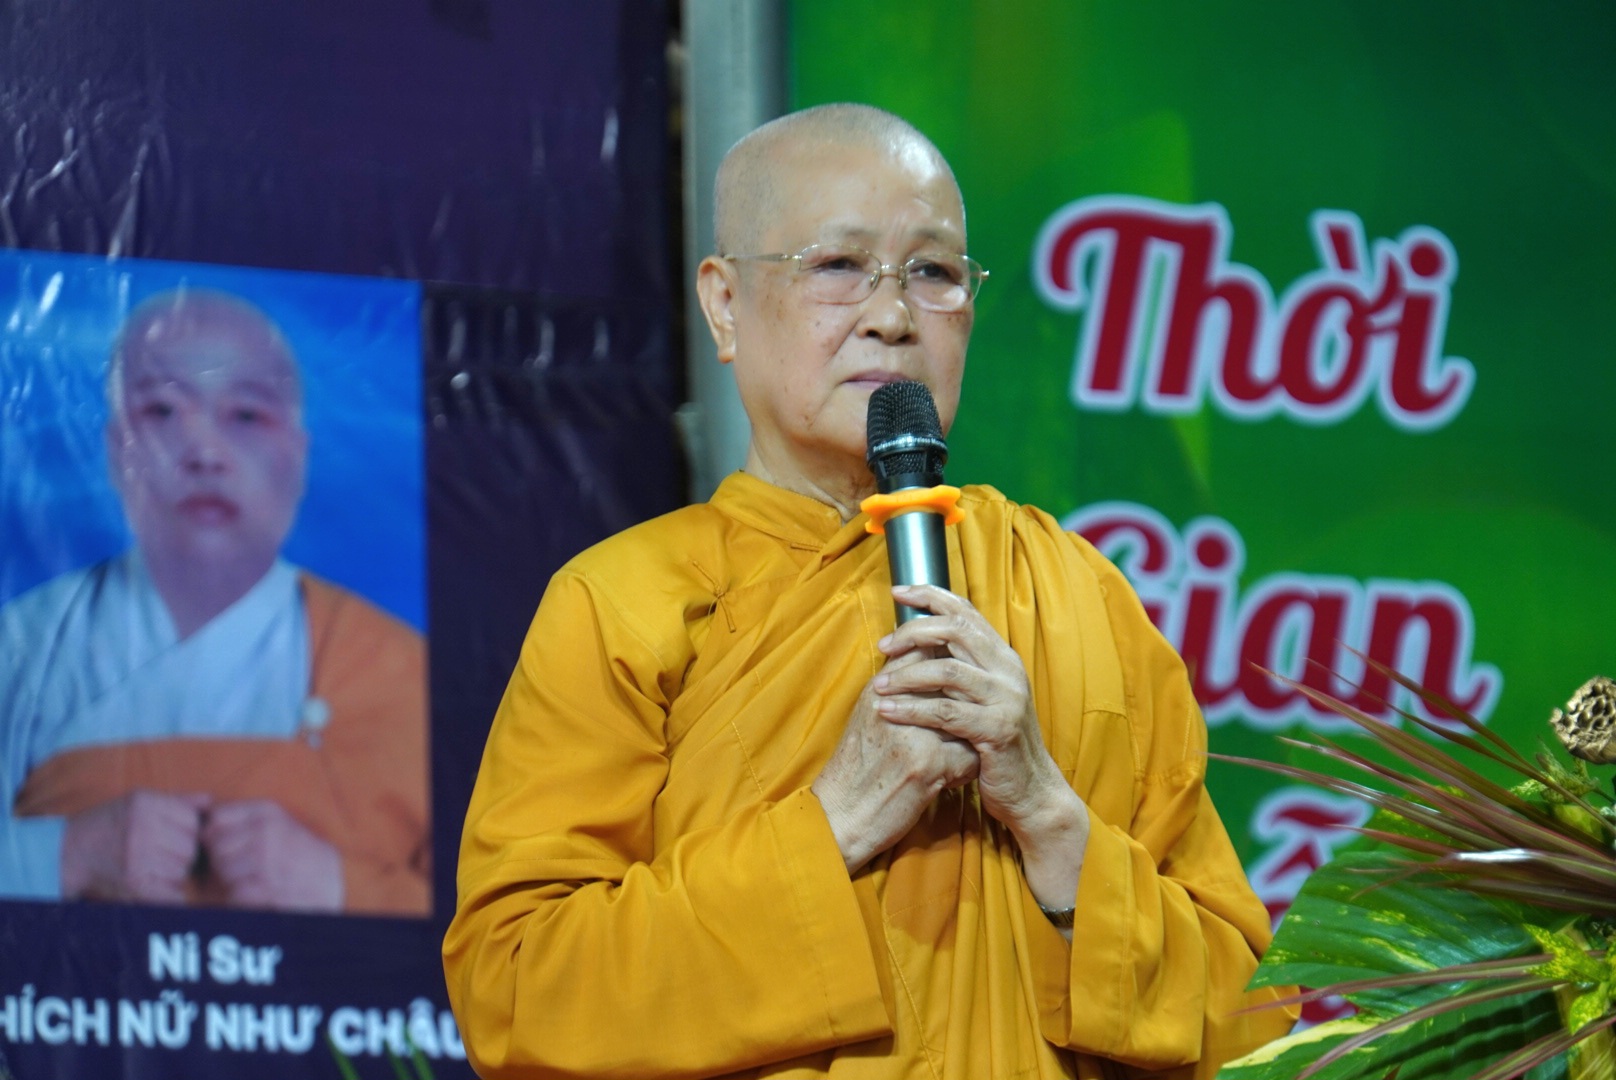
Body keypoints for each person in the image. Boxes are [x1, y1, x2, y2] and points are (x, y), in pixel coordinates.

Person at [444, 104, 1293, 1077]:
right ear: (724, 304)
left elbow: (1250, 1020)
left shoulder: (1081, 598)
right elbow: (518, 994)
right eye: (838, 265)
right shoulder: (628, 604)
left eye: (932, 273)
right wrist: (836, 820)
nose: (891, 316)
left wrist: (1049, 819)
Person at [0, 288, 429, 916]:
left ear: (299, 457)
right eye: (162, 410)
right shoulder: (20, 648)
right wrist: (66, 854)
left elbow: (497, 921)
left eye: (246, 415)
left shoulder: (402, 671)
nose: (204, 452)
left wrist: (337, 886)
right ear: (116, 449)